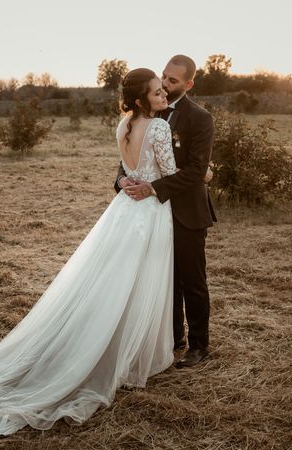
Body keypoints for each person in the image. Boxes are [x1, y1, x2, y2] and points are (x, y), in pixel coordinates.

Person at [0, 68, 178, 447]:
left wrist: (129, 181)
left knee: (113, 281)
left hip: (123, 209)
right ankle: (133, 356)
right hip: (149, 210)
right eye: (157, 93)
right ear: (142, 100)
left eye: (163, 91)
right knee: (142, 279)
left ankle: (118, 347)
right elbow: (169, 172)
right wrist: (202, 173)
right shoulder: (159, 128)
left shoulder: (122, 125)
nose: (163, 97)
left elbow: (126, 170)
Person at [115, 55, 217, 368]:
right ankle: (171, 339)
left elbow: (196, 170)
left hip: (186, 211)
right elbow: (127, 161)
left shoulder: (200, 118)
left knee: (191, 281)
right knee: (162, 280)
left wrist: (155, 188)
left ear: (189, 84)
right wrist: (120, 180)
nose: (167, 86)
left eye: (173, 82)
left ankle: (199, 346)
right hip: (150, 213)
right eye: (163, 79)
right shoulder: (140, 116)